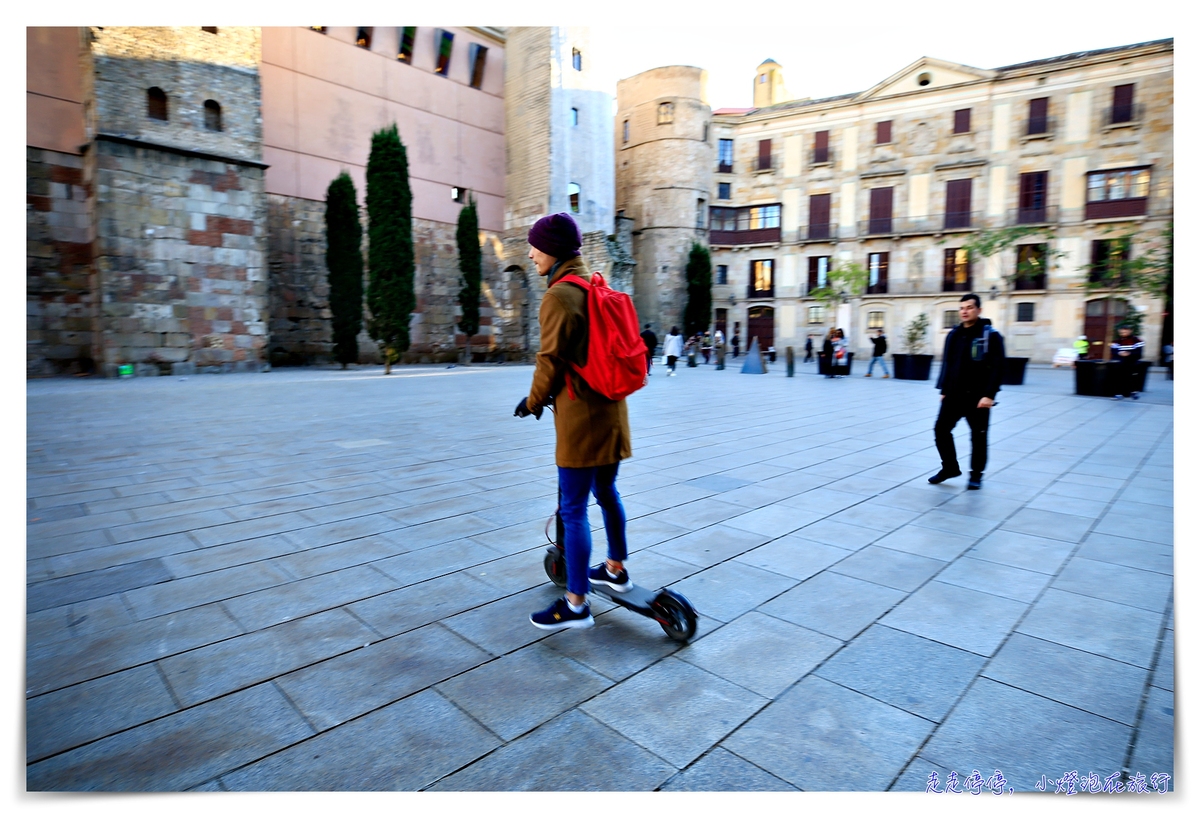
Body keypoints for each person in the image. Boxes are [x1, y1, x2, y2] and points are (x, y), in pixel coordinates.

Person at [514, 212, 633, 631]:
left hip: (581, 420)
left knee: (573, 509)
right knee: (607, 491)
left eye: (535, 246)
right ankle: (616, 568)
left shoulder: (559, 296)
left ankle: (576, 603)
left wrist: (532, 402)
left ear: (553, 250)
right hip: (613, 412)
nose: (530, 254)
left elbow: (550, 360)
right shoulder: (596, 285)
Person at [929, 293, 1005, 491]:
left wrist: (989, 395)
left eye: (969, 307)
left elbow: (998, 367)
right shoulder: (954, 334)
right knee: (940, 430)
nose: (964, 311)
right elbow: (948, 363)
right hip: (953, 394)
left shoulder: (990, 335)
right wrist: (944, 389)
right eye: (962, 308)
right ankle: (950, 468)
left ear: (978, 310)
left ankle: (976, 475)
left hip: (978, 397)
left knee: (978, 436)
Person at [1111, 325, 1144, 400]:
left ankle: (1134, 392)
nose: (1123, 333)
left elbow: (1139, 352)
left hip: (1132, 362)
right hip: (1121, 363)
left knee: (1133, 377)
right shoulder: (1117, 341)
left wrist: (1129, 354)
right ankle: (1119, 394)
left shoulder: (1137, 340)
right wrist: (1119, 353)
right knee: (1119, 378)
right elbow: (1113, 351)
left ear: (1130, 331)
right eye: (1121, 332)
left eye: (1125, 331)